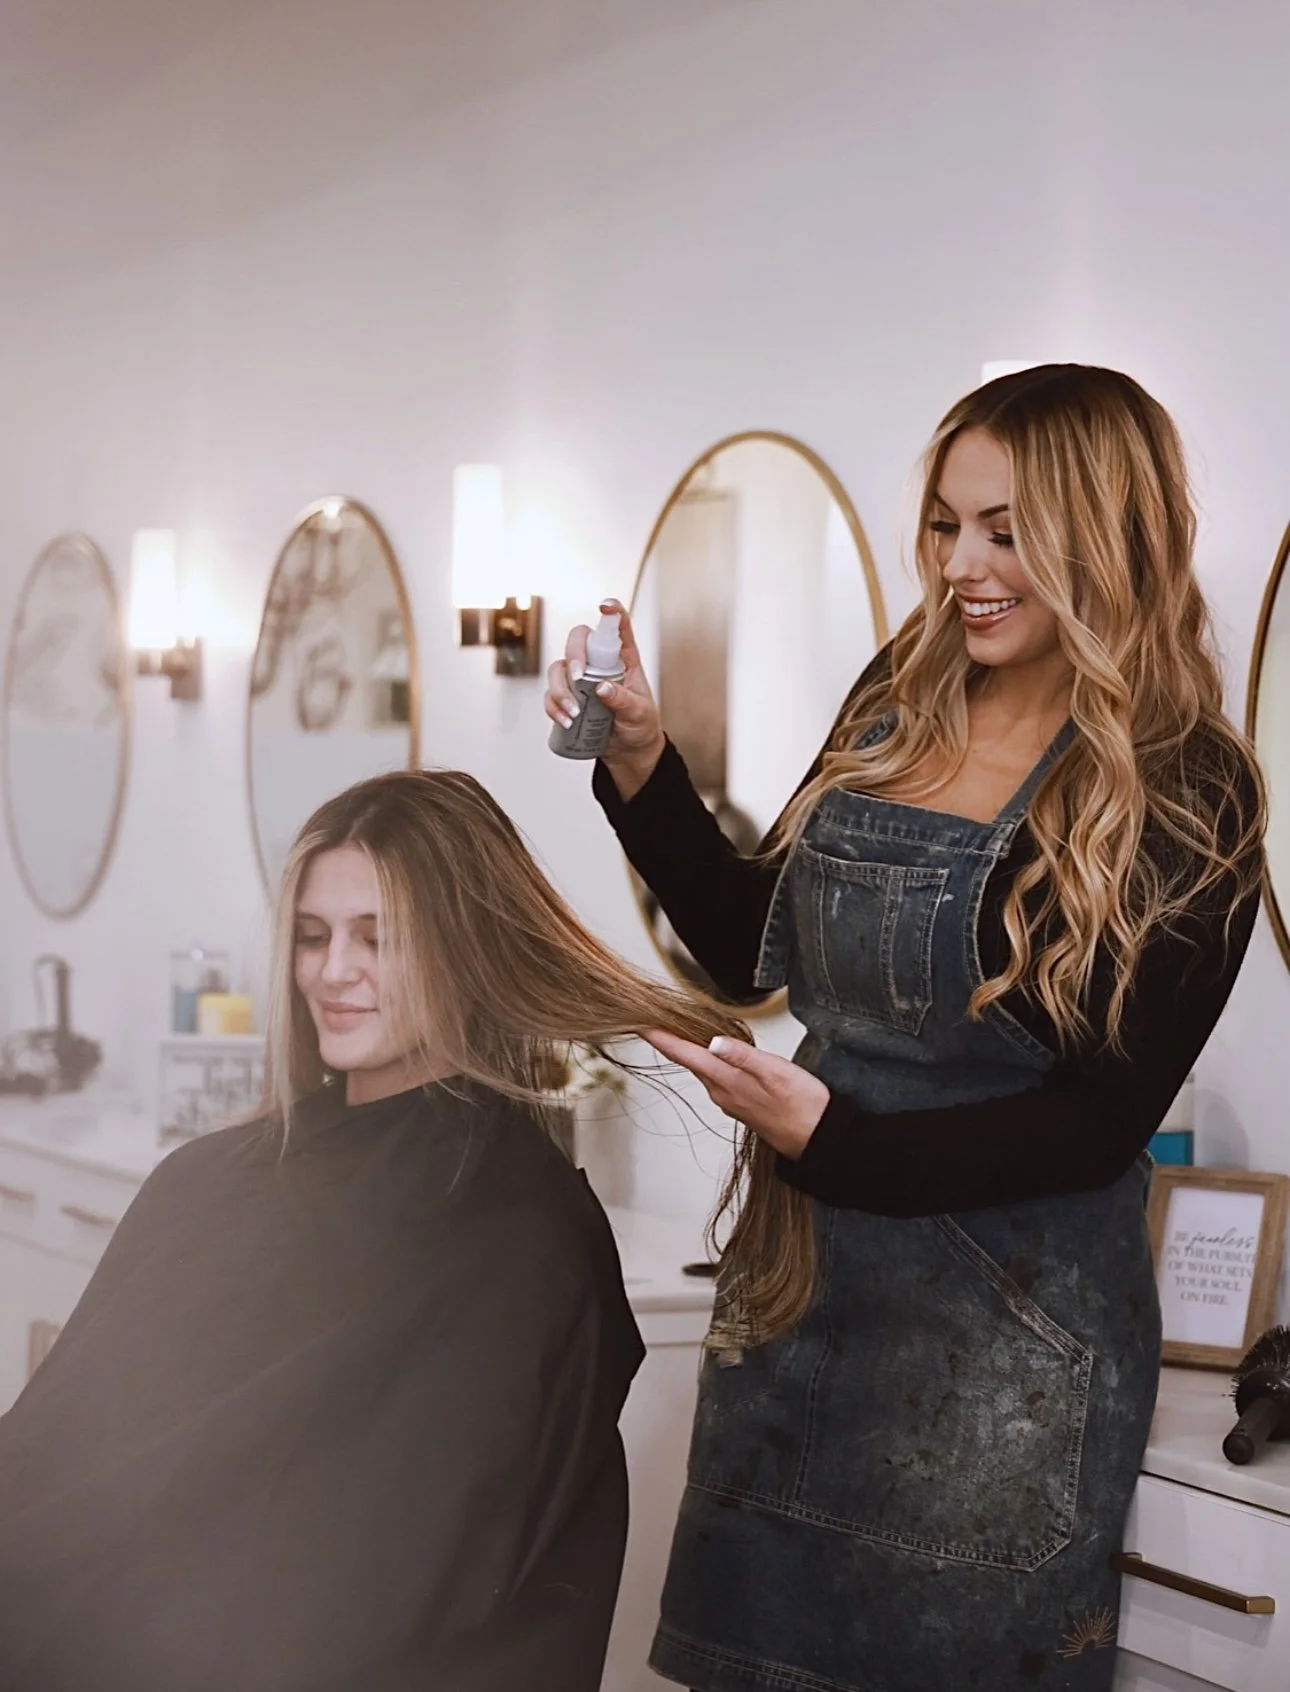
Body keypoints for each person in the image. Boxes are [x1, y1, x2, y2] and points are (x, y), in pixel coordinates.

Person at [545, 365, 1266, 1692]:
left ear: (1105, 533)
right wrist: (640, 761)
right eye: (945, 525)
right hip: (803, 1298)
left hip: (1011, 1358)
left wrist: (837, 1143)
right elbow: (744, 941)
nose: (960, 566)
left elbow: (1099, 1121)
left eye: (1005, 530)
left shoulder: (1191, 788)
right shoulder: (898, 698)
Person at [0, 770, 749, 1692]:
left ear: (467, 947)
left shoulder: (519, 1233)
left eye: (378, 938)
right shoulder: (208, 1179)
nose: (332, 971)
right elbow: (66, 1456)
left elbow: (413, 1563)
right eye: (313, 936)